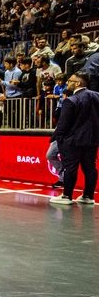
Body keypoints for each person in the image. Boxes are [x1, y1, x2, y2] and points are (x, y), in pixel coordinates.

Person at [50, 71, 99, 206]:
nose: (67, 83)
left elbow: (63, 124)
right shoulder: (97, 96)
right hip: (92, 139)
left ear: (78, 83)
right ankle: (88, 196)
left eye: (70, 81)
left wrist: (58, 138)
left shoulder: (71, 100)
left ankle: (67, 196)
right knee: (90, 168)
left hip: (72, 141)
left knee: (70, 168)